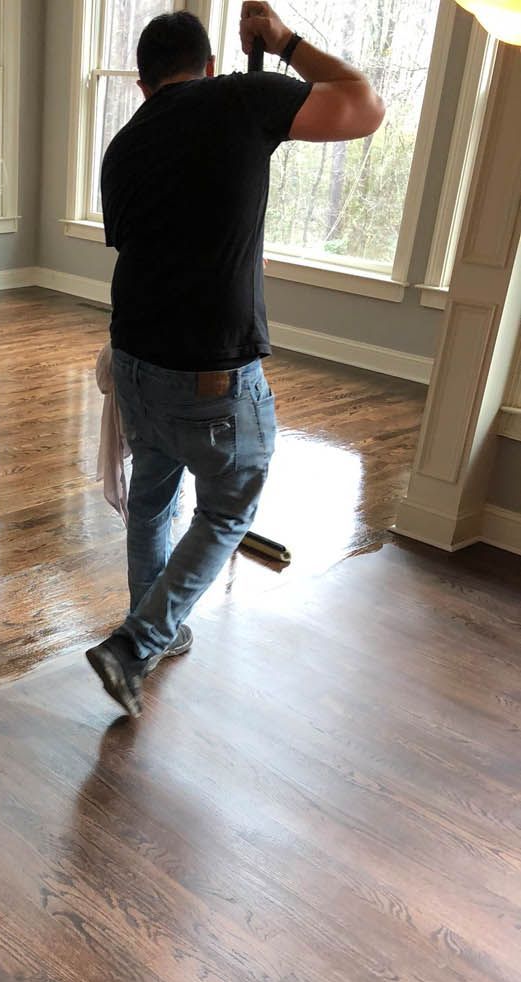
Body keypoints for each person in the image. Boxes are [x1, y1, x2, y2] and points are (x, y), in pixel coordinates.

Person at [86, 1, 384, 718]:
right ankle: (137, 642)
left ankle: (147, 622)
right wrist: (283, 43)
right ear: (210, 65)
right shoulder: (239, 97)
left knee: (152, 494)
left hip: (132, 360)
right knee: (225, 510)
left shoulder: (122, 146)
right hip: (211, 372)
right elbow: (363, 107)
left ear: (140, 81)